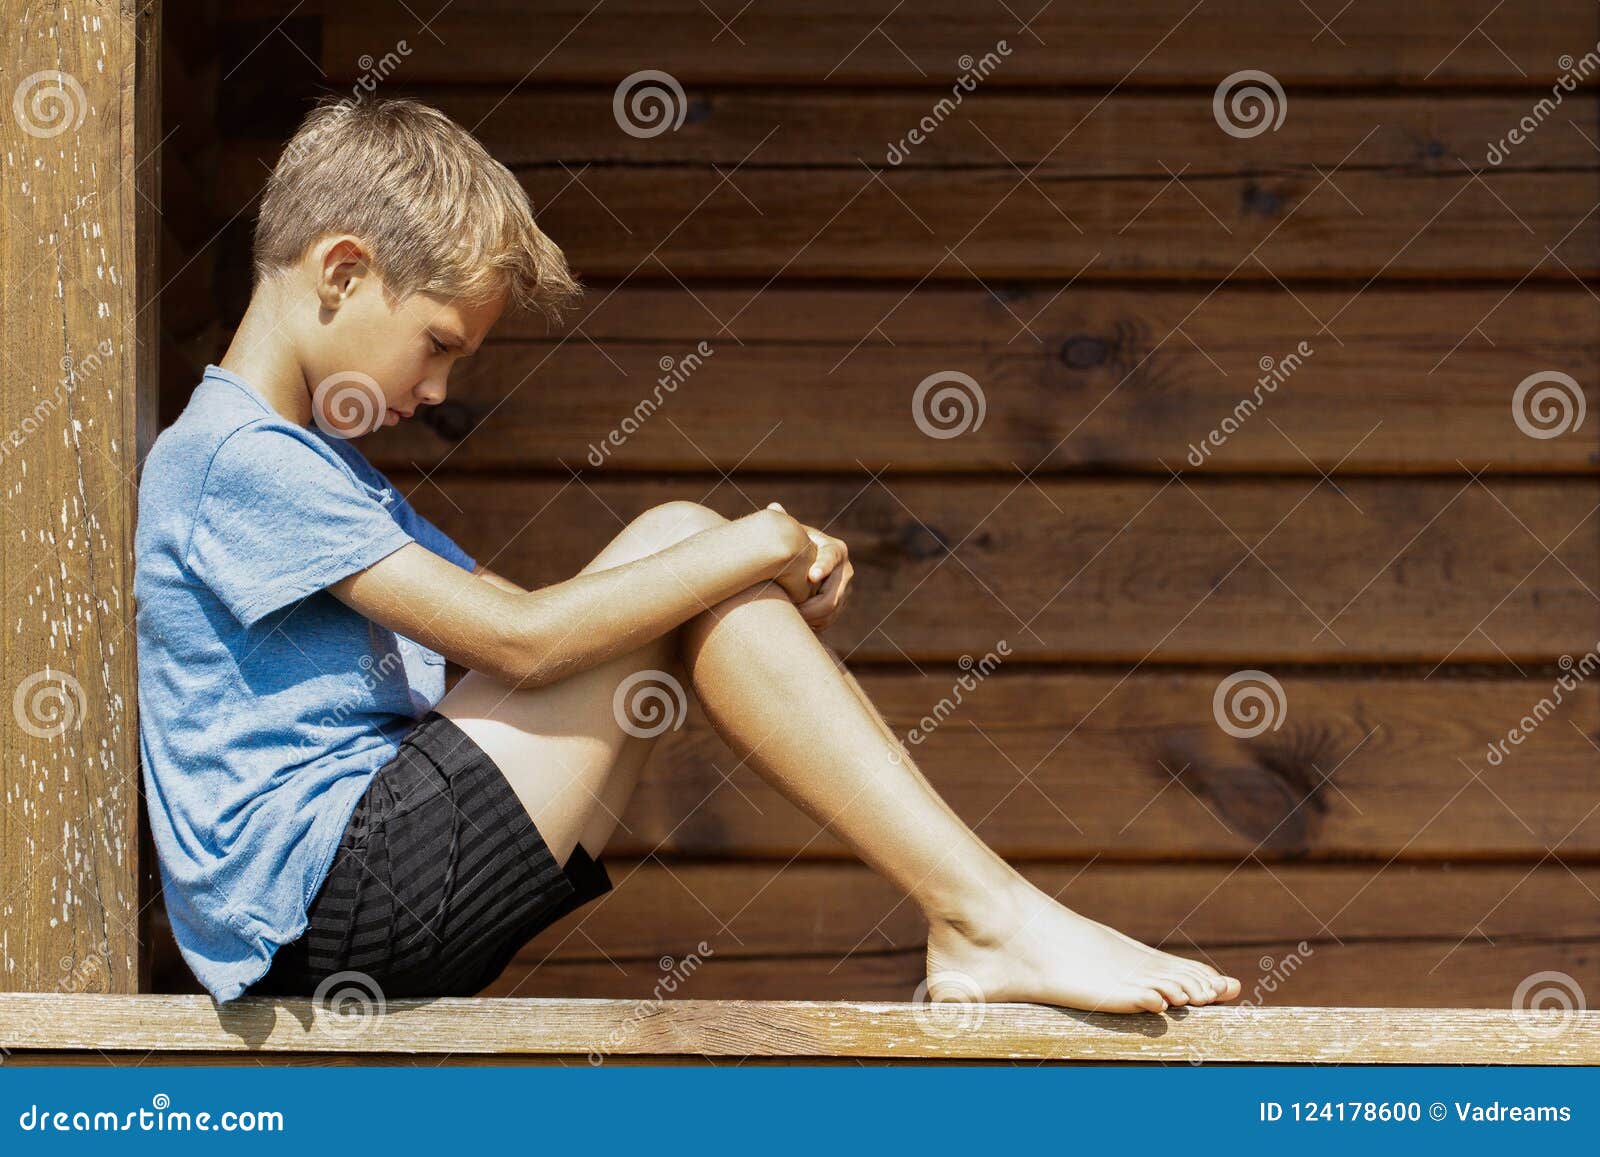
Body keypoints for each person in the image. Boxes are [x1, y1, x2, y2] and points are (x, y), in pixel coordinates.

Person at [134, 96, 1241, 1014]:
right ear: (340, 269)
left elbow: (544, 616)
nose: (436, 391)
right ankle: (986, 913)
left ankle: (981, 915)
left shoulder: (317, 470)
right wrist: (745, 541)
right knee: (678, 537)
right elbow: (519, 642)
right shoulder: (236, 455)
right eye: (437, 344)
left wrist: (724, 593)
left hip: (372, 899)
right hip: (330, 908)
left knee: (676, 565)